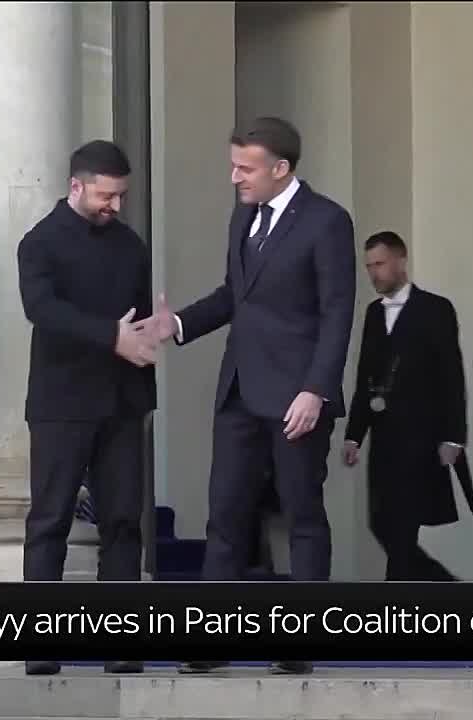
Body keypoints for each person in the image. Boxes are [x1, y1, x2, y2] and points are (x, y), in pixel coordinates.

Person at [148, 116, 357, 675]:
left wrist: (316, 390)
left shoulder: (327, 221)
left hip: (297, 397)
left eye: (246, 168)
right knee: (225, 515)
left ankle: (299, 645)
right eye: (233, 166)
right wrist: (177, 324)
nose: (235, 177)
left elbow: (338, 313)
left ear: (281, 168)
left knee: (302, 514)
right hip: (240, 390)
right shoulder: (243, 216)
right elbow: (234, 296)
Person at [16, 140, 156, 676]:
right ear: (76, 186)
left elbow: (137, 320)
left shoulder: (130, 244)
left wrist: (150, 339)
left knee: (123, 521)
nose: (114, 206)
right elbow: (41, 309)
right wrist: (110, 336)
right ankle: (40, 643)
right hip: (62, 402)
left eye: (121, 197)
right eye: (106, 196)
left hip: (122, 401)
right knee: (50, 519)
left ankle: (121, 641)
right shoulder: (40, 242)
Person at [341, 231, 473, 581]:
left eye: (380, 264)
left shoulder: (435, 309)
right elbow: (365, 377)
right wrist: (354, 435)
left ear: (401, 261)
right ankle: (447, 587)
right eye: (369, 266)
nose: (373, 273)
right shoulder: (373, 314)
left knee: (402, 532)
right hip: (383, 442)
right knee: (381, 524)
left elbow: (452, 376)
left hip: (421, 439)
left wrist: (453, 437)